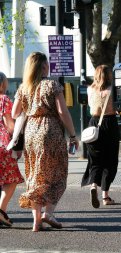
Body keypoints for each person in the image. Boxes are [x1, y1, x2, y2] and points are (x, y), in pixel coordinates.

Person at [12, 52, 79, 232]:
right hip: (51, 131)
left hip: (31, 132)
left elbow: (14, 113)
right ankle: (48, 212)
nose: (48, 67)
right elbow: (63, 111)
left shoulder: (23, 88)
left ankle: (36, 221)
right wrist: (73, 135)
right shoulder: (52, 84)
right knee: (57, 172)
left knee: (35, 174)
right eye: (47, 64)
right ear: (42, 67)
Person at [81, 65, 120, 208]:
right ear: (108, 75)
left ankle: (93, 185)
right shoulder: (113, 90)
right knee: (110, 160)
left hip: (93, 124)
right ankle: (105, 196)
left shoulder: (90, 89)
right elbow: (118, 107)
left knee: (95, 160)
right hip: (109, 124)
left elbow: (91, 105)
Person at [0, 72, 24, 227]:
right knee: (11, 179)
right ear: (2, 83)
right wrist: (18, 143)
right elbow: (10, 125)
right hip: (2, 144)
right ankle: (1, 210)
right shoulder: (4, 99)